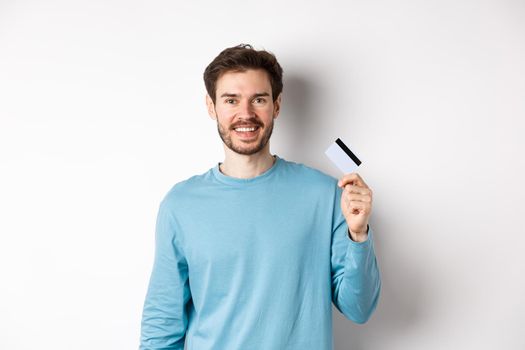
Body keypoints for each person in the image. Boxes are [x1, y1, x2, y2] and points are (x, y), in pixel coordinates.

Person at [139, 44, 381, 350]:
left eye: (259, 99)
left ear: (276, 106)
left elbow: (359, 310)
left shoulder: (325, 195)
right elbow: (162, 325)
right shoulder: (180, 205)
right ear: (211, 107)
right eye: (231, 100)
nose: (246, 114)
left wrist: (358, 235)